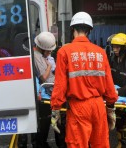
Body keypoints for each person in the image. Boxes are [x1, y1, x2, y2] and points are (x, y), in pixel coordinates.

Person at [50, 11, 118, 148]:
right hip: (98, 106)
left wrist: (55, 108)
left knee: (77, 145)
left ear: (72, 29)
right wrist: (110, 109)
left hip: (78, 107)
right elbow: (109, 85)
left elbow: (60, 85)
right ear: (89, 31)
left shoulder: (64, 52)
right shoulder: (100, 52)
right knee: (101, 144)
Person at [33, 31, 66, 148]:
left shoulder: (40, 55)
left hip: (54, 84)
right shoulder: (37, 57)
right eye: (49, 51)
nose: (50, 53)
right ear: (42, 49)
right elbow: (43, 78)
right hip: (52, 88)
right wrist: (49, 66)